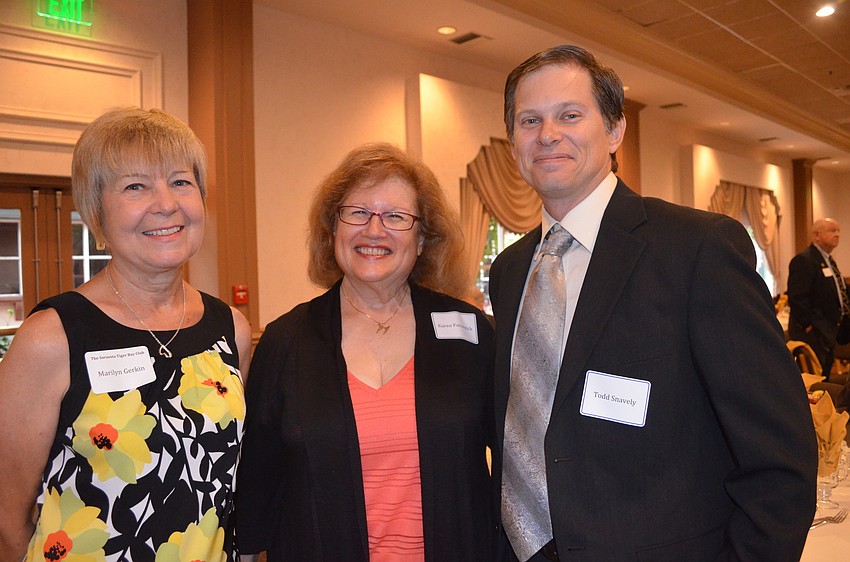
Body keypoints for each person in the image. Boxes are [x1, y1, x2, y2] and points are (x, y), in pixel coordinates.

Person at [489, 45, 817, 561]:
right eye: (529, 120)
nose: (547, 133)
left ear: (615, 129)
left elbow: (779, 457)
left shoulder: (697, 249)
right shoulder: (509, 273)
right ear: (513, 142)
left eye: (569, 115)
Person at [0, 107, 252, 560]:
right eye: (136, 186)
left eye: (180, 181)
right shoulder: (52, 338)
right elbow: (7, 516)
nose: (166, 204)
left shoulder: (230, 329)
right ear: (97, 212)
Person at [236, 143, 495, 561]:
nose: (374, 231)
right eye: (357, 213)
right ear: (332, 228)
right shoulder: (286, 341)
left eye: (395, 217)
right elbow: (258, 480)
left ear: (423, 237)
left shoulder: (471, 332)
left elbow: (510, 459)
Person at [788, 218, 850, 381]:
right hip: (814, 332)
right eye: (832, 230)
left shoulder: (828, 260)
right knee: (815, 380)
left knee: (825, 376)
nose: (837, 235)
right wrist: (807, 324)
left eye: (838, 231)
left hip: (830, 330)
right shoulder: (805, 260)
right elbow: (797, 296)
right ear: (816, 235)